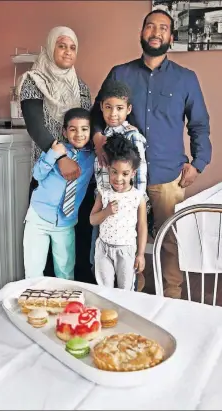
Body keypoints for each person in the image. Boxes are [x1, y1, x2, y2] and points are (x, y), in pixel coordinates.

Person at [90, 9, 212, 299]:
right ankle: (133, 295)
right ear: (141, 33)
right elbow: (98, 111)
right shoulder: (120, 74)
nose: (156, 32)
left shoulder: (186, 79)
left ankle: (172, 298)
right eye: (150, 26)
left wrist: (198, 164)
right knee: (122, 238)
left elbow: (199, 124)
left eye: (163, 28)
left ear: (171, 36)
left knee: (168, 242)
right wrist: (97, 137)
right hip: (121, 179)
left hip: (167, 176)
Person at [18, 26, 96, 283]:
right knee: (41, 246)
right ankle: (41, 293)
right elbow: (34, 124)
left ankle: (72, 291)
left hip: (78, 175)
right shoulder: (33, 80)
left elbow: (86, 125)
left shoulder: (81, 87)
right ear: (51, 47)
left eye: (72, 47)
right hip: (48, 170)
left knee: (72, 241)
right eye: (62, 45)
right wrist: (60, 158)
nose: (67, 51)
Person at [23, 108, 95, 280]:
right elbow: (37, 175)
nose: (79, 134)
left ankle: (64, 306)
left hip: (66, 223)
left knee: (65, 272)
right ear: (64, 131)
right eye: (73, 129)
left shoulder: (93, 157)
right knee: (33, 272)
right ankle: (33, 305)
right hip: (38, 218)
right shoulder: (56, 151)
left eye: (84, 129)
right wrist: (54, 154)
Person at [89, 80, 149, 276]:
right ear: (101, 107)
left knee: (126, 262)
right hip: (104, 203)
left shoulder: (133, 136)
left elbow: (140, 172)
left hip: (125, 207)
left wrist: (138, 200)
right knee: (99, 257)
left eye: (119, 108)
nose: (113, 113)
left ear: (128, 109)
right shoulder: (100, 137)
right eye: (108, 107)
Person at [90, 135, 147, 290]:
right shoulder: (104, 193)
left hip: (126, 250)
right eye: (114, 172)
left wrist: (140, 254)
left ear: (133, 173)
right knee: (104, 289)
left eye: (125, 173)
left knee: (125, 290)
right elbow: (93, 220)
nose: (118, 178)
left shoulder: (137, 197)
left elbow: (142, 227)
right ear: (109, 169)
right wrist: (106, 212)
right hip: (104, 249)